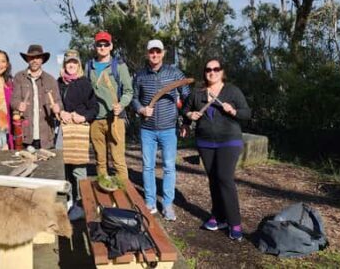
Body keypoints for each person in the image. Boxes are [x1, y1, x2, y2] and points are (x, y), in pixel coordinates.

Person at [183, 58, 251, 241]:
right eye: (208, 70)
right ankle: (218, 217)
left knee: (224, 178)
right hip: (205, 142)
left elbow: (247, 113)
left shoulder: (232, 91)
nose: (211, 72)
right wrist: (190, 115)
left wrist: (234, 111)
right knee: (213, 179)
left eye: (216, 69)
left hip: (229, 140)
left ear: (222, 72)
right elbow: (186, 111)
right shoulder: (197, 92)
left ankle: (235, 223)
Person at [131, 40, 190, 221]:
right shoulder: (140, 76)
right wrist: (141, 109)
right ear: (147, 54)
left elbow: (187, 96)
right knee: (148, 167)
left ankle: (167, 204)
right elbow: (134, 99)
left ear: (163, 53)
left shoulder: (175, 73)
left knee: (169, 167)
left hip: (169, 129)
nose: (154, 55)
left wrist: (186, 121)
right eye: (151, 52)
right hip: (147, 130)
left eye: (158, 51)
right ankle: (150, 202)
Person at [86, 31, 134, 182]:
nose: (102, 47)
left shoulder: (118, 66)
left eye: (105, 44)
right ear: (95, 46)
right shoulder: (89, 66)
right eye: (99, 44)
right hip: (95, 119)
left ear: (111, 46)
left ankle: (123, 193)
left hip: (115, 120)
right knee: (100, 160)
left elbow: (128, 91)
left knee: (118, 160)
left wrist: (122, 104)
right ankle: (104, 191)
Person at [57, 49, 98, 220]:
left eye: (74, 62)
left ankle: (83, 203)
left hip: (79, 131)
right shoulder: (59, 83)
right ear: (64, 65)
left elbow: (95, 108)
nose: (71, 65)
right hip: (62, 130)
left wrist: (83, 117)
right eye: (68, 62)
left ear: (79, 64)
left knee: (79, 169)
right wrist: (61, 113)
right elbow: (54, 104)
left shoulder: (85, 83)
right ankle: (66, 201)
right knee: (62, 167)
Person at [11, 44, 62, 151]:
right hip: (25, 136)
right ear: (27, 59)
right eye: (31, 57)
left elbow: (58, 102)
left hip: (45, 136)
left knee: (45, 167)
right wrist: (18, 105)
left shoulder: (50, 80)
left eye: (38, 57)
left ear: (42, 59)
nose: (35, 60)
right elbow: (13, 100)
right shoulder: (19, 77)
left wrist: (58, 108)